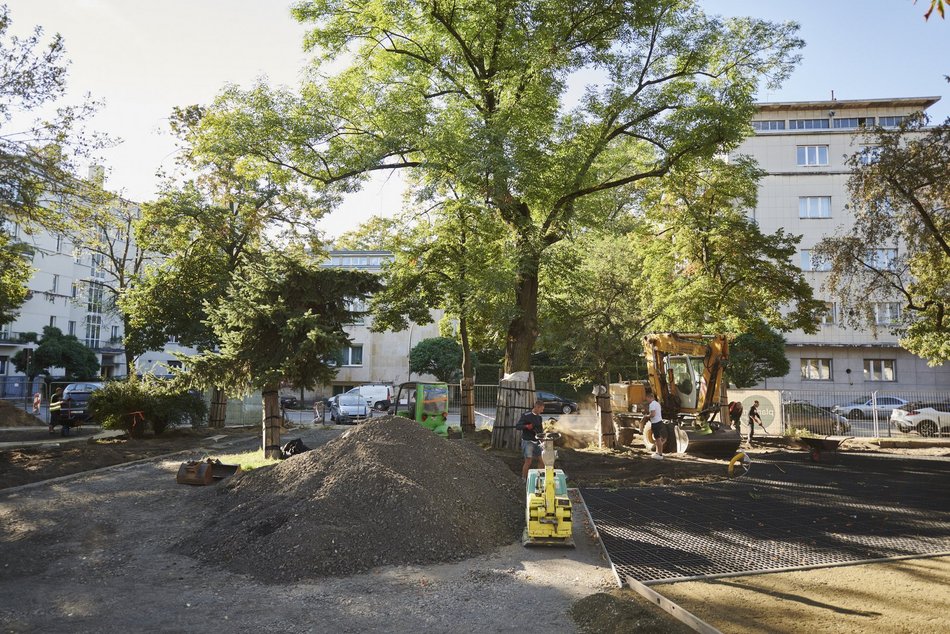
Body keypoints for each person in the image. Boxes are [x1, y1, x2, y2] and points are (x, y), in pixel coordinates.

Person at [515, 400, 546, 480]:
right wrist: (526, 426)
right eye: (541, 409)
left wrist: (542, 439)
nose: (542, 411)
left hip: (537, 442)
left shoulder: (539, 417)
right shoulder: (526, 415)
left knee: (542, 461)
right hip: (528, 441)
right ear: (537, 407)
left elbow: (540, 430)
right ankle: (523, 479)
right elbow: (518, 426)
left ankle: (539, 478)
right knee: (528, 461)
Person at [644, 391, 667, 460]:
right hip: (659, 422)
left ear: (649, 397)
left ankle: (660, 454)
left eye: (647, 399)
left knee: (658, 439)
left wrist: (647, 416)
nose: (646, 400)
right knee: (657, 439)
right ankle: (657, 452)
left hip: (656, 423)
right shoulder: (657, 403)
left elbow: (653, 414)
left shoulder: (652, 404)